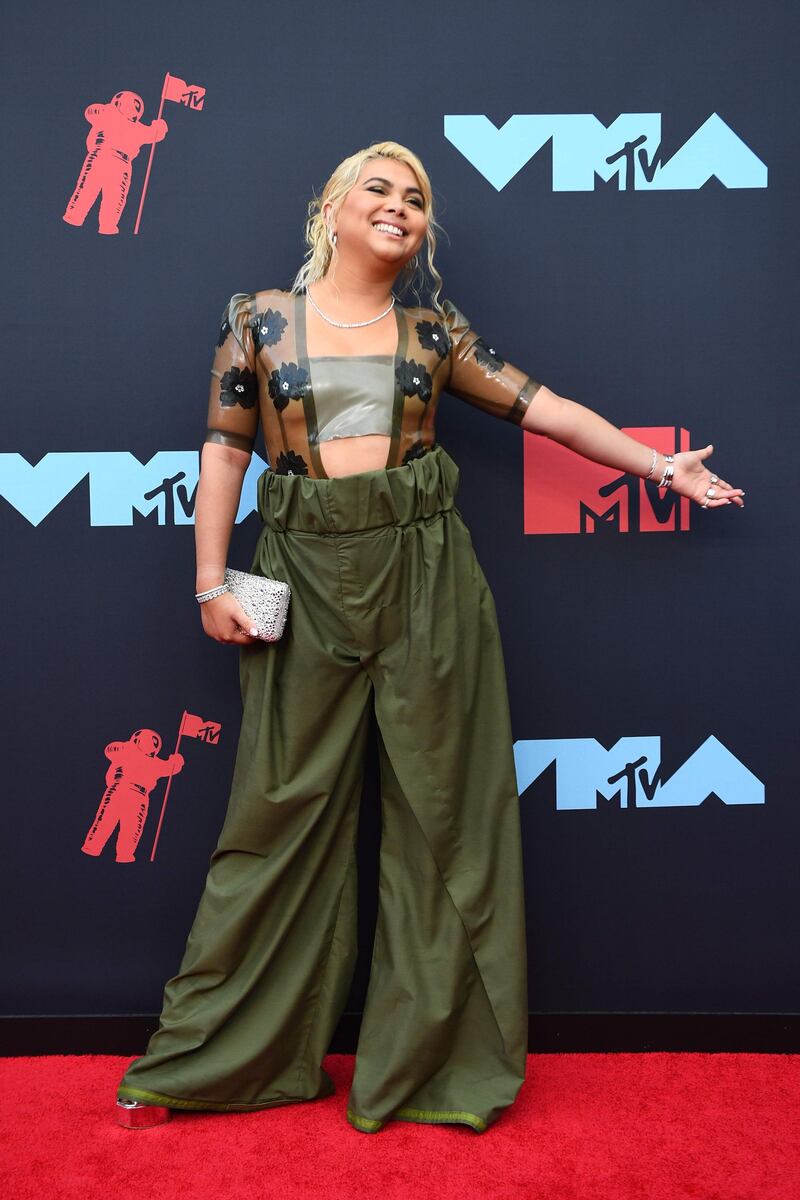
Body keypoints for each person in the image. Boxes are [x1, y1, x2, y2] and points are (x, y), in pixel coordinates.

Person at [115, 140, 744, 1135]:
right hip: (302, 578)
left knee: (447, 817)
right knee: (277, 818)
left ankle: (429, 1070)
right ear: (329, 205)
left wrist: (655, 467)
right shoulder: (259, 323)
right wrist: (208, 583)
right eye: (378, 188)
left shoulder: (433, 332)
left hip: (425, 577)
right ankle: (210, 1060)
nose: (399, 206)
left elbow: (551, 413)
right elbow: (222, 454)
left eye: (415, 198)